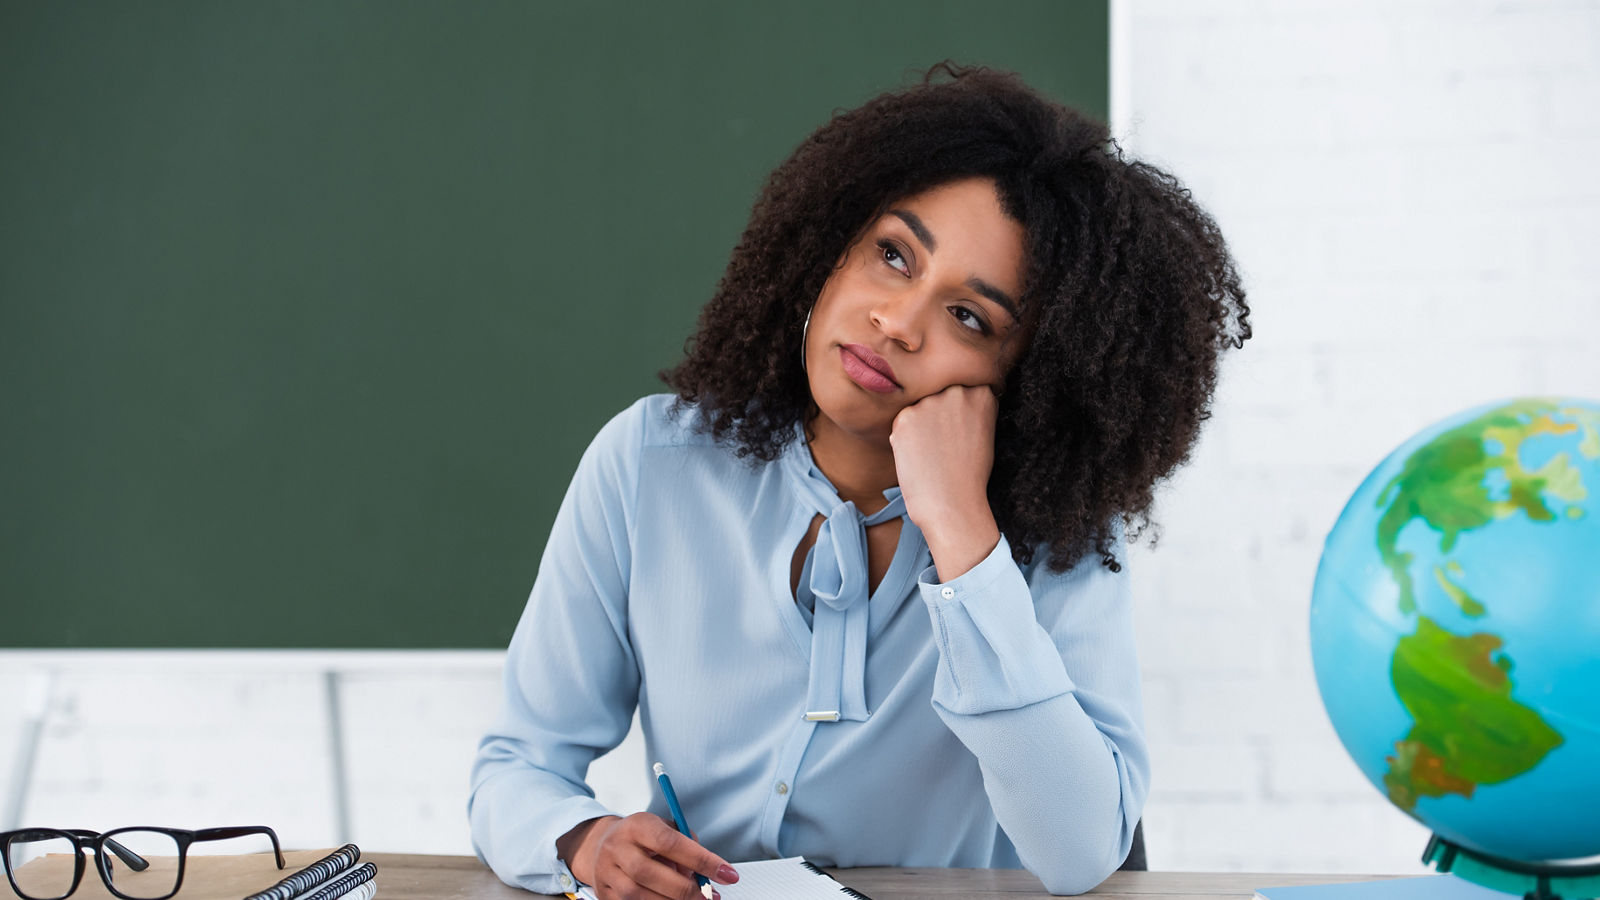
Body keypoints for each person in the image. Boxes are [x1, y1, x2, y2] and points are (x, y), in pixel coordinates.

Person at [468, 63, 1249, 899]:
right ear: (829, 248)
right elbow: (517, 766)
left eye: (969, 317)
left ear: (1034, 374)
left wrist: (962, 536)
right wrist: (585, 840)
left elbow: (1083, 847)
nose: (898, 323)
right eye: (892, 255)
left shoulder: (1057, 535)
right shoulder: (648, 467)